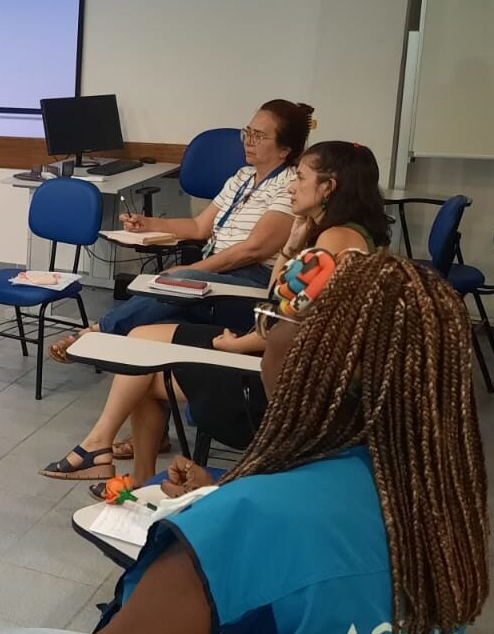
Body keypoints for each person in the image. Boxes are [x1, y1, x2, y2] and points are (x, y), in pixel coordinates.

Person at [0, 251, 487, 634]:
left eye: (270, 323)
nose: (263, 337)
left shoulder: (246, 522)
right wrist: (222, 487)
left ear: (313, 359)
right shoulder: (437, 504)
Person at [41, 141, 389, 484]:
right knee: (140, 340)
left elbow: (292, 325)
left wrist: (237, 345)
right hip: (276, 356)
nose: (291, 187)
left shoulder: (334, 243)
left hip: (275, 381)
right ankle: (108, 454)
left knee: (140, 367)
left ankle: (108, 456)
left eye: (300, 178)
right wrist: (291, 245)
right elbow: (278, 301)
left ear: (328, 187)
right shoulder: (341, 235)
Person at [50, 99, 313, 360]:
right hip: (221, 270)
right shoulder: (243, 177)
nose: (248, 141)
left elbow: (252, 250)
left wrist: (193, 270)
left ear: (284, 150)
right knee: (162, 306)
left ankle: (97, 332)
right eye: (248, 132)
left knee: (175, 282)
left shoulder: (288, 186)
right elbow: (199, 227)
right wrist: (148, 223)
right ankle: (110, 341)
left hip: (252, 279)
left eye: (259, 136)